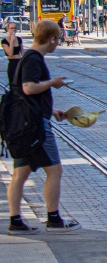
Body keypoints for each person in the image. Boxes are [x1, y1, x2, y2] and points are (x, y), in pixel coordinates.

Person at [6, 19, 78, 233]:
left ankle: (16, 221)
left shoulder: (28, 57)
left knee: (20, 174)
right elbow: (29, 88)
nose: (58, 43)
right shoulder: (34, 59)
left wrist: (52, 111)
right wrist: (52, 83)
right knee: (54, 170)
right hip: (35, 126)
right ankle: (54, 219)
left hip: (25, 123)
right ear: (51, 39)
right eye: (58, 40)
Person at [2, 20, 22, 90]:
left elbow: (23, 53)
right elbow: (10, 54)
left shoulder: (19, 39)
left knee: (21, 85)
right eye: (11, 28)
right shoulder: (4, 41)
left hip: (20, 63)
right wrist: (11, 42)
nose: (13, 30)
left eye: (15, 28)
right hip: (12, 64)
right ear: (8, 29)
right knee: (13, 85)